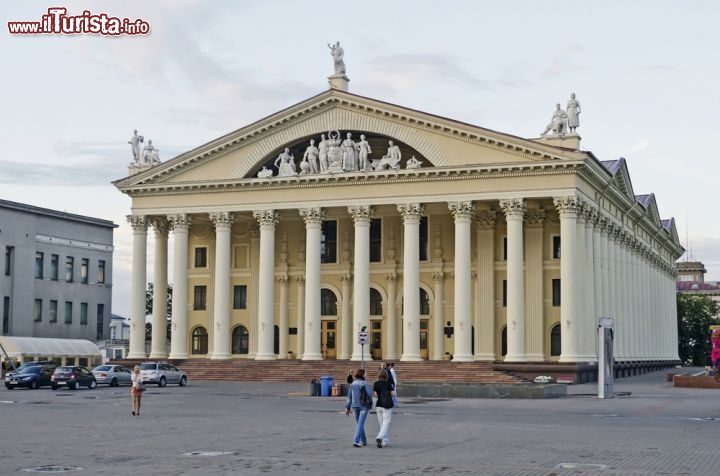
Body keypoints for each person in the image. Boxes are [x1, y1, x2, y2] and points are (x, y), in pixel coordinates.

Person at [345, 368, 373, 447]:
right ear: (363, 374)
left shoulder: (353, 384)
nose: (366, 374)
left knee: (359, 424)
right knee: (360, 424)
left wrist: (347, 407)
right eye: (365, 373)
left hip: (355, 406)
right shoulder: (364, 383)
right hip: (364, 406)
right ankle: (356, 440)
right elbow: (369, 393)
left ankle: (364, 441)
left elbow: (349, 397)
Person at [372, 369, 396, 448]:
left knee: (381, 423)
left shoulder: (376, 384)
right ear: (386, 376)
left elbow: (375, 395)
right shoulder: (388, 383)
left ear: (378, 375)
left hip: (378, 405)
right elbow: (393, 394)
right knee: (387, 422)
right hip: (386, 405)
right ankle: (380, 437)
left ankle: (385, 441)